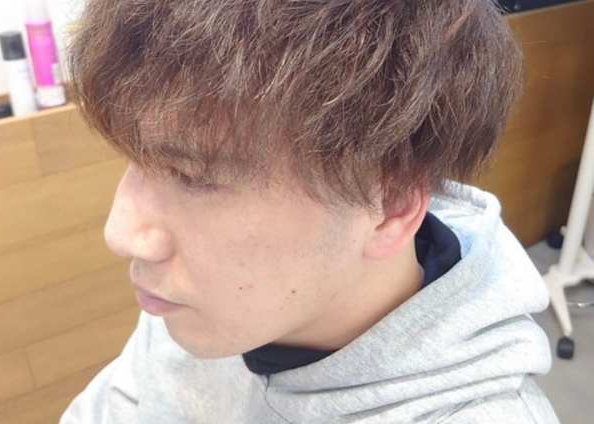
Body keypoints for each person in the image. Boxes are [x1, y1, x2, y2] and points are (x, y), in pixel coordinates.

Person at [59, 0, 559, 422]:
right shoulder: (195, 302)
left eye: (191, 177)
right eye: (135, 160)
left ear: (390, 206)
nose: (121, 232)